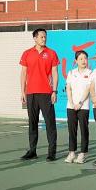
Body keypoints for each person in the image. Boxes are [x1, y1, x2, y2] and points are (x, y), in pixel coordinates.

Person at [19, 28, 59, 161]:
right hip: (31, 93)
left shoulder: (51, 53)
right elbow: (23, 73)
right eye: (41, 37)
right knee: (32, 123)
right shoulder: (27, 53)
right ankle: (32, 151)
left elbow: (55, 73)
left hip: (46, 93)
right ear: (35, 38)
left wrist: (54, 91)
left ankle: (52, 152)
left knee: (50, 123)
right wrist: (22, 92)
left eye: (45, 37)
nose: (44, 39)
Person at [64, 50, 92, 164]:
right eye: (81, 59)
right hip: (71, 106)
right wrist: (71, 103)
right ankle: (71, 152)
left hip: (83, 106)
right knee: (72, 129)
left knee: (84, 129)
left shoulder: (90, 73)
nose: (83, 61)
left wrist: (80, 103)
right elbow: (68, 88)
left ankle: (82, 153)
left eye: (85, 58)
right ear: (76, 61)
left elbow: (88, 89)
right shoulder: (71, 72)